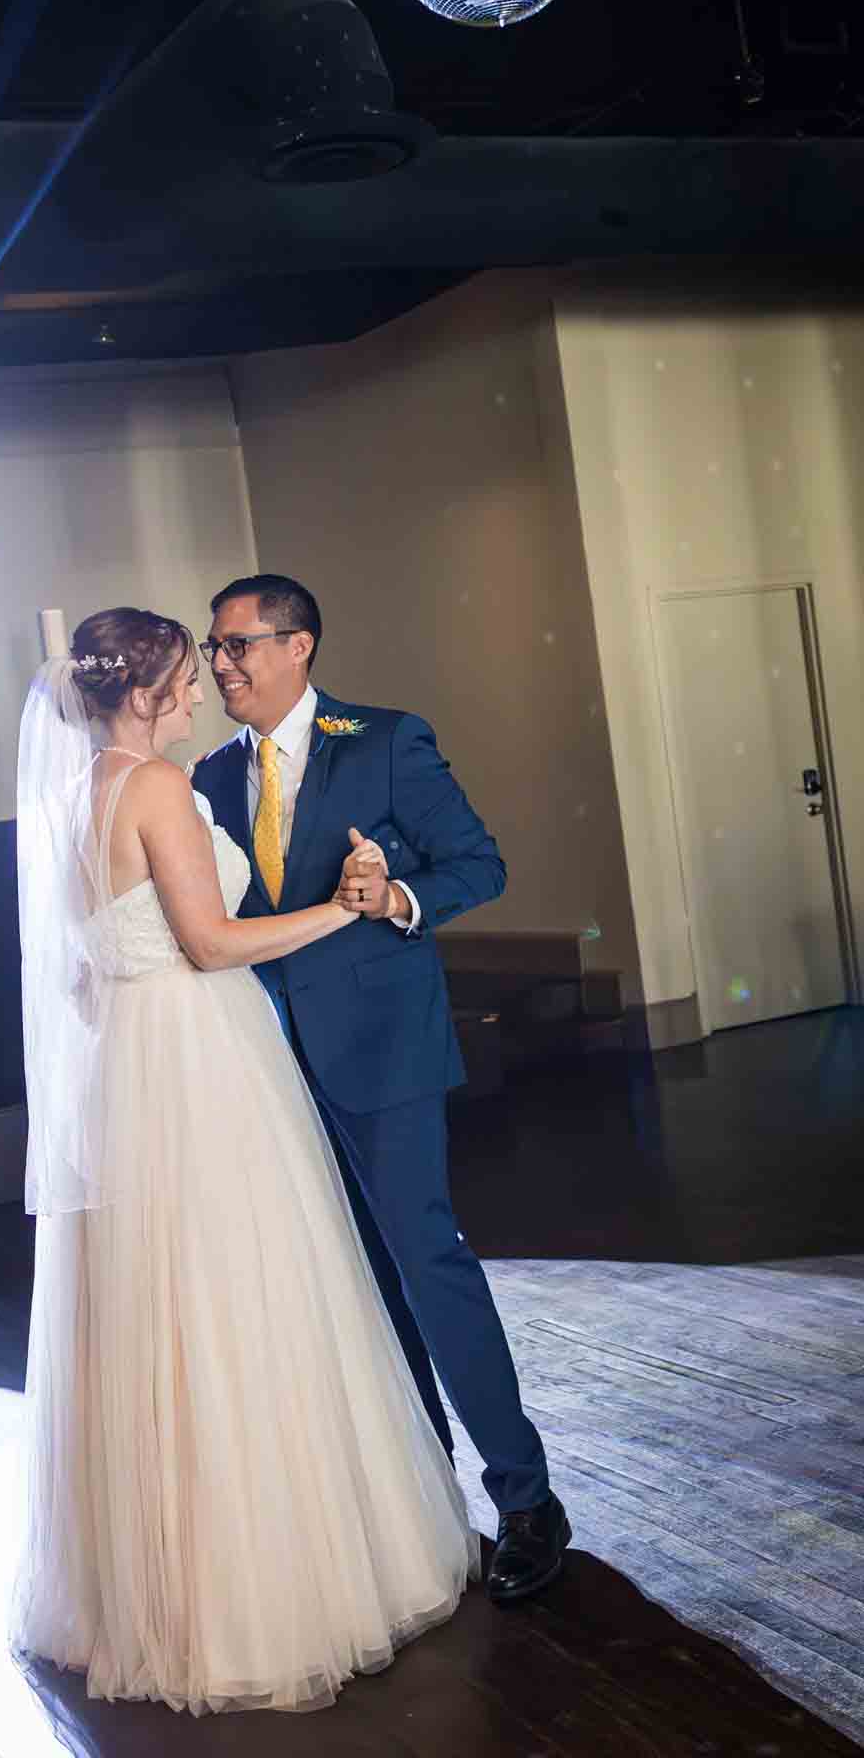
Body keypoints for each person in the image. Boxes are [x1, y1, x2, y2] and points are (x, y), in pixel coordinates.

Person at [10, 606, 479, 1716]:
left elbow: (87, 961)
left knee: (152, 1314)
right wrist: (339, 907)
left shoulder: (69, 795)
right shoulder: (160, 786)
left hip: (125, 1066)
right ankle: (254, 1594)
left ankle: (146, 1592)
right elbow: (210, 942)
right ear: (139, 690)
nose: (197, 687)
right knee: (240, 1300)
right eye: (182, 673)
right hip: (197, 1060)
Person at [190, 573, 570, 1606]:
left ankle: (525, 1496)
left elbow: (477, 864)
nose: (222, 663)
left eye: (240, 645)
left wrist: (396, 893)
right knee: (349, 1286)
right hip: (266, 1070)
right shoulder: (208, 775)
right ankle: (420, 1494)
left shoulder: (387, 737)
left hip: (384, 1055)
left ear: (299, 643)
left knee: (425, 1266)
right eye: (213, 646)